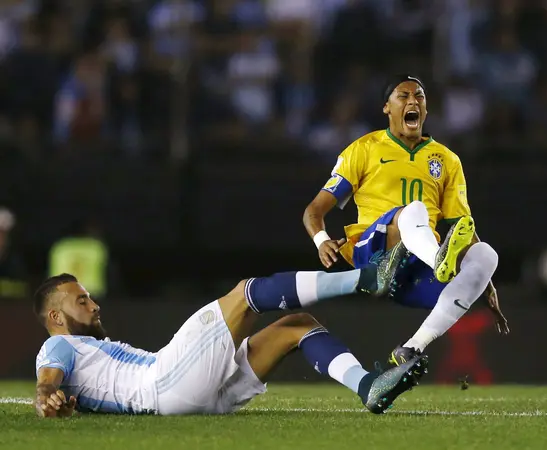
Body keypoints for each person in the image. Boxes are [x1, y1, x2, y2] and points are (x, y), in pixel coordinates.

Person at [302, 74, 509, 372]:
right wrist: (322, 242)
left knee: (487, 254)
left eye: (420, 97)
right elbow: (313, 211)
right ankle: (439, 259)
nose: (413, 101)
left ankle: (412, 347)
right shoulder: (364, 148)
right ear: (387, 107)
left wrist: (484, 281)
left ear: (426, 109)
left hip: (412, 273)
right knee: (413, 211)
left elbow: (463, 228)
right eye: (404, 96)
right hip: (374, 254)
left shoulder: (447, 160)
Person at [33, 261, 426, 418]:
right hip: (164, 383)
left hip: (192, 399)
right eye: (81, 301)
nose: (94, 305)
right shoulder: (58, 346)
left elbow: (59, 394)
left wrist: (59, 406)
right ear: (55, 316)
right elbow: (45, 384)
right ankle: (366, 279)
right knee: (243, 295)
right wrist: (45, 398)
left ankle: (367, 386)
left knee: (298, 325)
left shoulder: (85, 352)